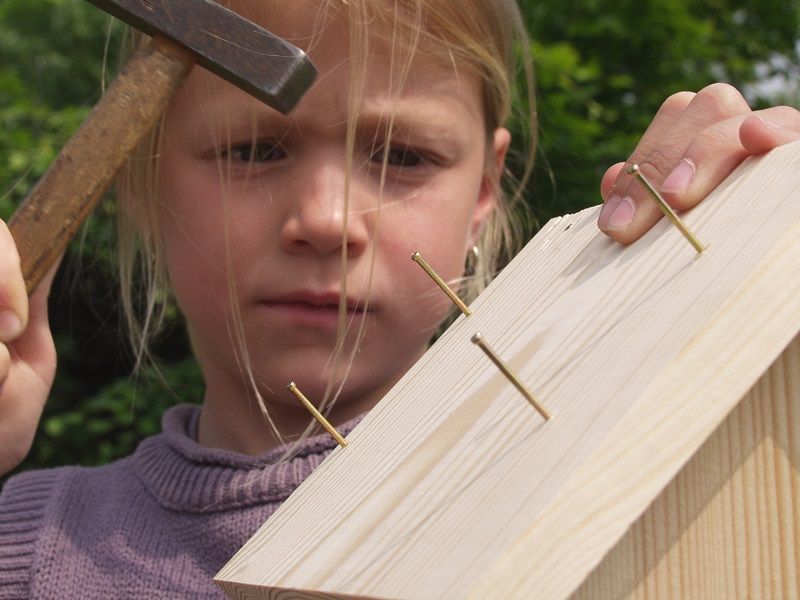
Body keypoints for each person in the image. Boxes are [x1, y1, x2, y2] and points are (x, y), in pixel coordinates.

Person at [0, 1, 798, 598]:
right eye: (252, 148)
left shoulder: (622, 478)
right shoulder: (29, 544)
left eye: (402, 156)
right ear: (139, 178)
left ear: (483, 191)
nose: (324, 220)